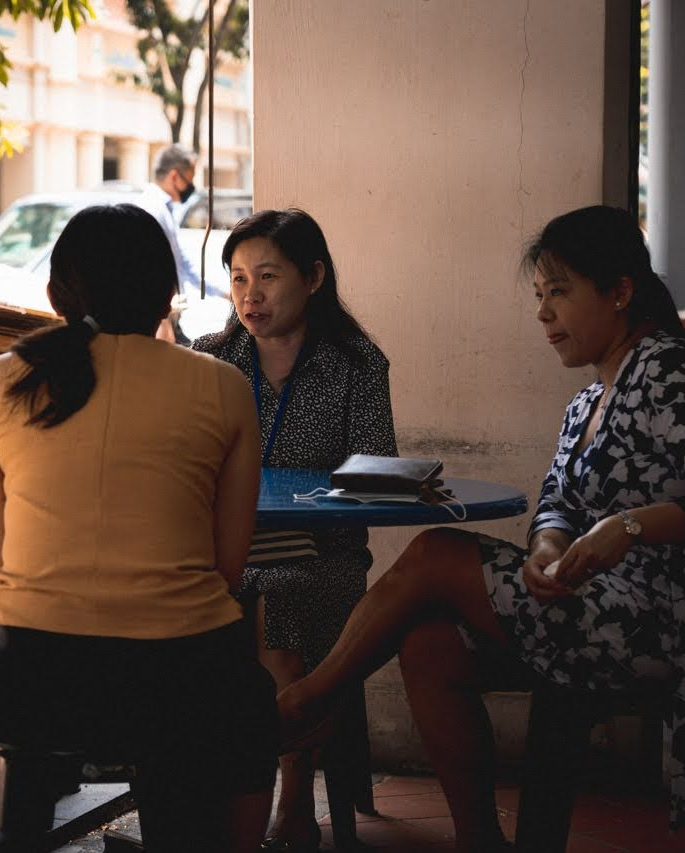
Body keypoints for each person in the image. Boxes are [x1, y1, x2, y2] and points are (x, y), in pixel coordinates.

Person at [277, 205, 685, 852]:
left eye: (558, 292)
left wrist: (626, 527)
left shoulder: (672, 369)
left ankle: (303, 702)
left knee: (433, 551)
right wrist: (547, 549)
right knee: (428, 644)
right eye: (538, 295)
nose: (542, 313)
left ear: (619, 291)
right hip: (587, 606)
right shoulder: (587, 400)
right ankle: (481, 840)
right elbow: (554, 504)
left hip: (662, 620)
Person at [0, 203, 277, 852]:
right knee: (249, 696)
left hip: (22, 684)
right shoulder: (224, 387)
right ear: (166, 296)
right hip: (183, 686)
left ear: (55, 294)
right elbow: (227, 568)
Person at [192, 207, 398, 852]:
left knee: (274, 595)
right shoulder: (210, 360)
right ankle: (202, 788)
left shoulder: (356, 364)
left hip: (323, 553)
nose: (250, 296)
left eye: (269, 278)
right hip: (228, 548)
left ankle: (290, 802)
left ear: (313, 277)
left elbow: (377, 473)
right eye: (238, 278)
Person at [141, 144, 204, 342]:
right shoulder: (152, 210)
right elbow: (148, 266)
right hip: (162, 319)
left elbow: (181, 261)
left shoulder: (164, 209)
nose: (191, 187)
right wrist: (164, 316)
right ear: (175, 177)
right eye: (190, 180)